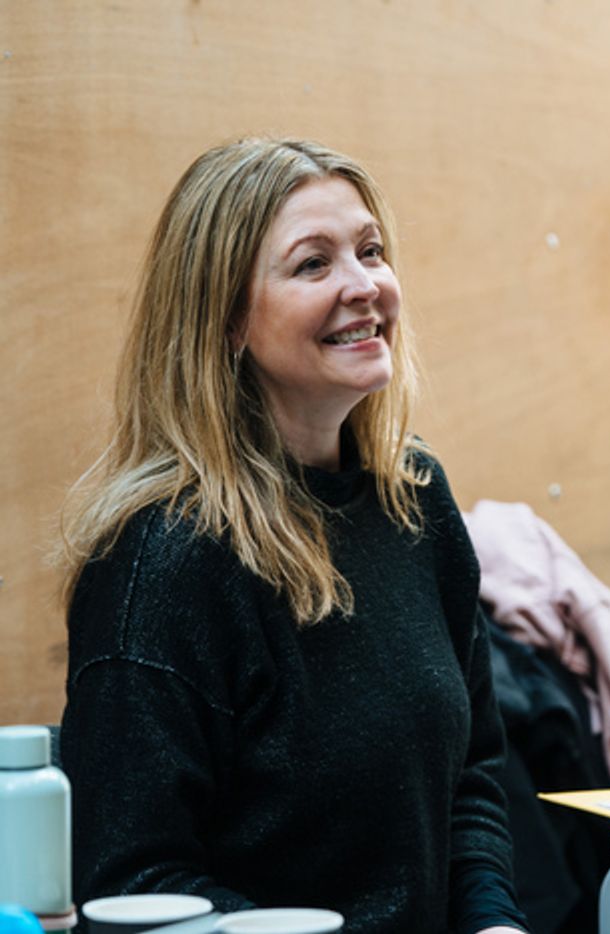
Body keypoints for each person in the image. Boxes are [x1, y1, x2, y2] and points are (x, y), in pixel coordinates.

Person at [57, 138, 528, 934]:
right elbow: (131, 875)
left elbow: (471, 777)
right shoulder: (162, 559)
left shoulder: (414, 499)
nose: (365, 286)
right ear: (229, 320)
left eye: (371, 251)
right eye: (314, 265)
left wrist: (493, 922)